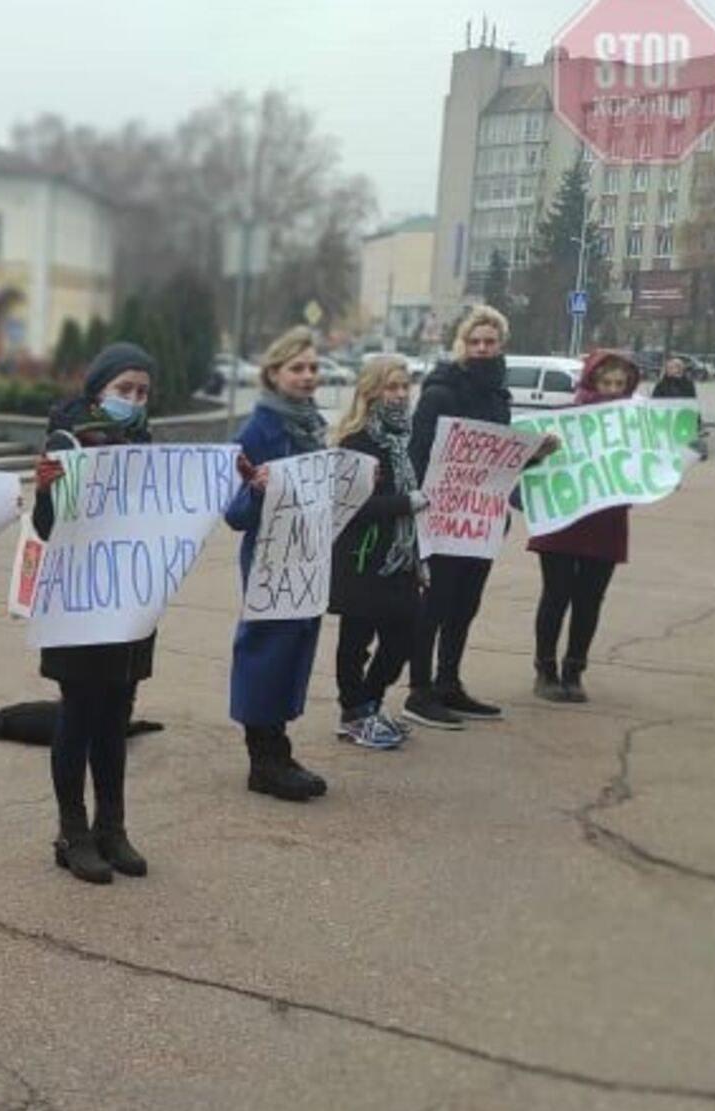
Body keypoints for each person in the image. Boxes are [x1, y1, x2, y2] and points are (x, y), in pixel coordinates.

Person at [31, 343, 162, 880]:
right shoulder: (67, 441)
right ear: (98, 390)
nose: (133, 400)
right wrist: (46, 494)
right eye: (123, 389)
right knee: (79, 715)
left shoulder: (147, 446)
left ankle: (114, 827)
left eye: (142, 392)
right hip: (80, 606)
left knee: (116, 717)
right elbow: (45, 528)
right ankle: (73, 830)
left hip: (130, 604)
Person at [400, 305, 560, 730]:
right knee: (433, 607)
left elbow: (496, 466)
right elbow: (417, 455)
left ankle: (448, 682)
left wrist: (533, 454)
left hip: (481, 522)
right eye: (475, 342)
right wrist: (416, 509)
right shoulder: (440, 393)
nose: (483, 348)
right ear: (462, 345)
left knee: (464, 607)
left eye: (490, 342)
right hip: (440, 520)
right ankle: (419, 692)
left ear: (501, 345)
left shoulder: (499, 397)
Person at [223, 327, 332, 802]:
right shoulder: (258, 429)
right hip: (270, 559)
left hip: (306, 555)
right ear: (273, 374)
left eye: (312, 367)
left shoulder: (311, 423)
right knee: (265, 652)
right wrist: (257, 490)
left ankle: (279, 750)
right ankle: (262, 760)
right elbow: (234, 513)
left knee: (294, 649)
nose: (308, 376)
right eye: (297, 368)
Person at [528, 350, 641, 704]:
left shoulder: (635, 425)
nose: (611, 390)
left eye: (619, 384)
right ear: (591, 381)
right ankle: (545, 670)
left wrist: (683, 448)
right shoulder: (563, 419)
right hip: (560, 519)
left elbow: (649, 471)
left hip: (606, 522)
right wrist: (540, 452)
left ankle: (574, 669)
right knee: (555, 595)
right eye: (605, 382)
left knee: (590, 599)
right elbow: (529, 464)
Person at [327, 357, 427, 751]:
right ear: (370, 392)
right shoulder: (356, 441)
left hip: (400, 560)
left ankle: (369, 703)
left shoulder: (407, 439)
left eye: (404, 386)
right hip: (362, 561)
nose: (400, 395)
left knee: (406, 637)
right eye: (391, 387)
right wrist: (406, 502)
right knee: (356, 642)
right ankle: (354, 713)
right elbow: (351, 506)